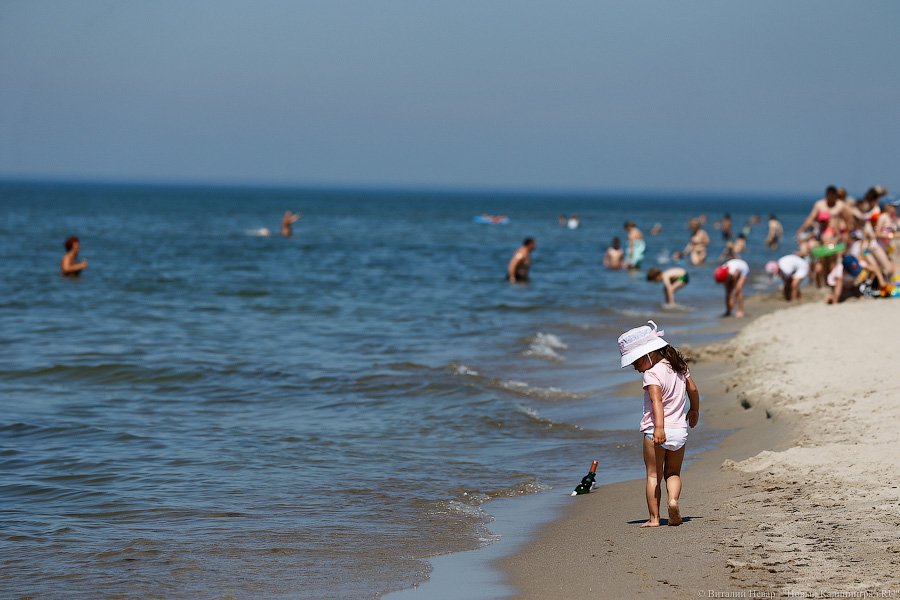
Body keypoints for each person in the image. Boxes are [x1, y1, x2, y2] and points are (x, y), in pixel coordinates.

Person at [617, 320, 700, 528]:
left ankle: (654, 518)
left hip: (656, 431)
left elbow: (657, 401)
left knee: (653, 474)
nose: (636, 368)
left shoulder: (651, 374)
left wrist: (660, 428)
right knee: (673, 473)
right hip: (680, 431)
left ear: (648, 354)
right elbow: (693, 389)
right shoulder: (680, 367)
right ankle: (673, 501)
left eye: (636, 362)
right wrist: (694, 409)